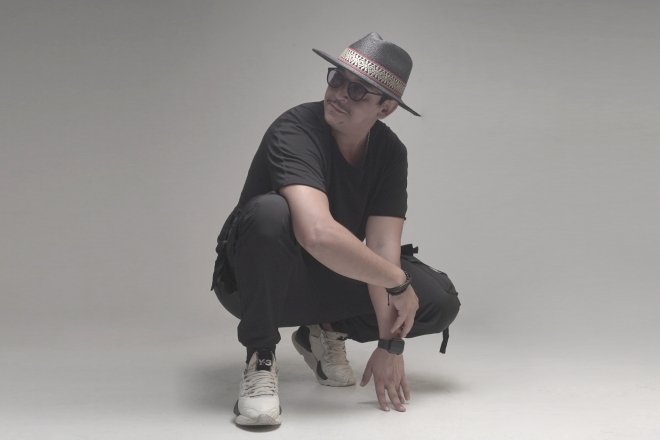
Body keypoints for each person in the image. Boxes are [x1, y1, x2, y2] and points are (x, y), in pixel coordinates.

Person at [211, 32, 460, 426]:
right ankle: (260, 359)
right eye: (337, 79)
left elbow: (382, 246)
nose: (340, 94)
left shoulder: (390, 152)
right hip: (252, 283)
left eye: (358, 91)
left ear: (386, 108)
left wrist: (390, 344)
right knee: (271, 212)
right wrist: (397, 282)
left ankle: (323, 331)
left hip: (322, 275)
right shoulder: (295, 128)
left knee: (435, 297)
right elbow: (317, 234)